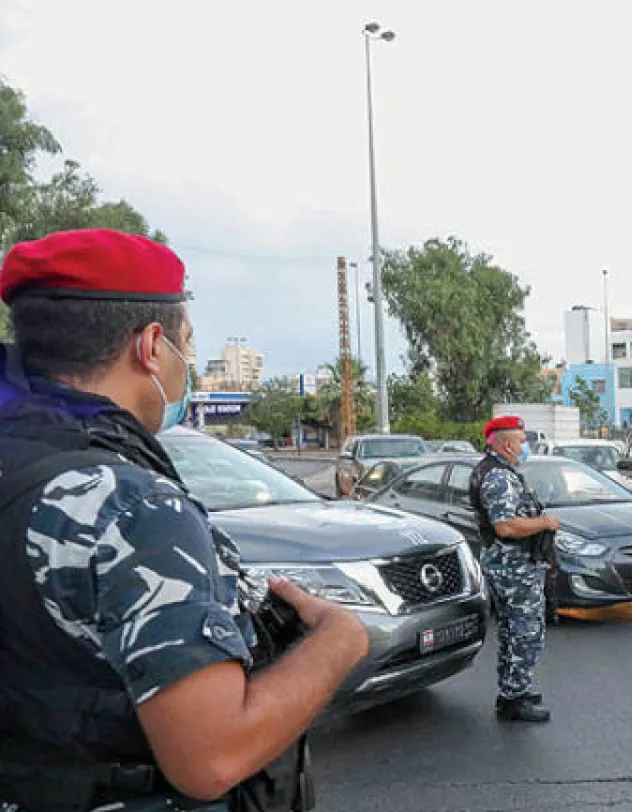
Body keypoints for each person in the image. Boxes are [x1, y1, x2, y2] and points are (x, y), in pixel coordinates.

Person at [0, 229, 370, 812]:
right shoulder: (131, 506)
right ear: (151, 346)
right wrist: (338, 641)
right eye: (186, 346)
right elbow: (210, 759)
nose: (185, 366)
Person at [469, 415, 559, 723]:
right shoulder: (499, 477)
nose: (525, 447)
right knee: (526, 631)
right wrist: (544, 523)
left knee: (512, 630)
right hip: (513, 567)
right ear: (506, 444)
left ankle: (513, 690)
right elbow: (506, 526)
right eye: (521, 442)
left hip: (509, 566)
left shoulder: (496, 471)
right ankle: (514, 699)